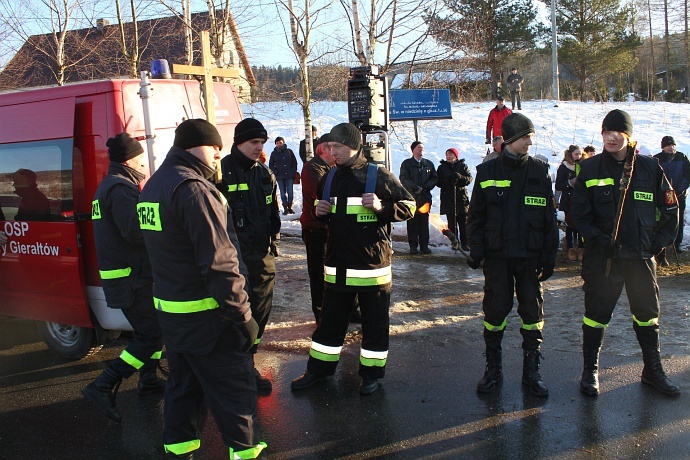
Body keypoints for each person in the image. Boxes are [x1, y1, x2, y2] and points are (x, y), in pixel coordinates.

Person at [138, 118, 265, 459]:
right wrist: (242, 315)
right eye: (214, 148)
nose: (217, 156)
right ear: (194, 146)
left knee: (184, 390)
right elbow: (220, 263)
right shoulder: (193, 189)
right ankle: (246, 452)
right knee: (234, 390)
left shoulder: (153, 187)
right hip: (210, 318)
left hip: (174, 316)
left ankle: (179, 451)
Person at [290, 122, 415, 395]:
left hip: (372, 268)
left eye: (338, 147)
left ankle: (371, 375)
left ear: (355, 146)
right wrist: (320, 210)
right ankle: (319, 371)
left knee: (374, 325)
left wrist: (383, 208)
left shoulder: (378, 175)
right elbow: (325, 209)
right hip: (338, 267)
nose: (332, 152)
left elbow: (409, 206)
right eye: (330, 147)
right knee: (329, 325)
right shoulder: (329, 178)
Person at [571, 109, 680, 398]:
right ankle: (590, 371)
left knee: (647, 316)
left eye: (617, 132)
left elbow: (670, 209)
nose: (610, 137)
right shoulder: (590, 169)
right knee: (596, 315)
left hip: (640, 258)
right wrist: (596, 239)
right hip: (603, 260)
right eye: (606, 132)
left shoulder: (650, 168)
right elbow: (579, 215)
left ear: (628, 136)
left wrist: (659, 242)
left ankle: (652, 371)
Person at [466, 112, 558, 398]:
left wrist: (549, 256)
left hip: (529, 257)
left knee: (532, 314)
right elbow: (476, 217)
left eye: (531, 137)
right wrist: (477, 248)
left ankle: (532, 372)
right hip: (498, 258)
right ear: (509, 139)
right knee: (494, 314)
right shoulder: (486, 172)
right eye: (525, 137)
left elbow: (548, 219)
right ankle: (493, 370)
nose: (530, 142)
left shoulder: (540, 171)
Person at [81, 133, 166, 424]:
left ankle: (149, 379)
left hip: (129, 277)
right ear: (131, 159)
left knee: (152, 330)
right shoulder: (120, 189)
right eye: (141, 156)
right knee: (152, 334)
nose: (145, 161)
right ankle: (103, 384)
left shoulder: (112, 185)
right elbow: (135, 231)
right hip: (132, 279)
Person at [220, 118, 281, 394]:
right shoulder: (220, 173)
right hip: (233, 260)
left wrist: (273, 243)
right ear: (238, 142)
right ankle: (236, 368)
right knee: (236, 317)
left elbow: (273, 214)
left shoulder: (264, 174)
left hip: (262, 258)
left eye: (262, 143)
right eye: (254, 142)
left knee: (260, 314)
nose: (259, 147)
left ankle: (248, 359)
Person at [300, 133, 335, 322]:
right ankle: (321, 314)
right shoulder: (312, 168)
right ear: (323, 149)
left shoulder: (332, 167)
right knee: (319, 274)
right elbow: (323, 193)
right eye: (333, 147)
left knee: (334, 273)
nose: (336, 151)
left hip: (331, 229)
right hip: (315, 229)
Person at [653, 135, 689, 264]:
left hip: (679, 195)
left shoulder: (682, 157)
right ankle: (661, 249)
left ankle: (677, 243)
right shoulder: (657, 159)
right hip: (663, 197)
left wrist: (679, 189)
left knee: (678, 220)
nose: (671, 147)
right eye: (668, 145)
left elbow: (687, 175)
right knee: (662, 221)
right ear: (663, 147)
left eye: (673, 145)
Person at [399, 141, 438, 254]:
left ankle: (424, 246)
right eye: (419, 148)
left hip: (425, 198)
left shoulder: (428, 164)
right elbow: (403, 178)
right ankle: (413, 246)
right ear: (413, 150)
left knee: (424, 222)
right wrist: (415, 187)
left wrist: (425, 187)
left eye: (422, 148)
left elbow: (434, 178)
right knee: (412, 222)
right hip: (411, 198)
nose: (421, 150)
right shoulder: (406, 164)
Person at [437, 148, 472, 251]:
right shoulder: (442, 168)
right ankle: (454, 242)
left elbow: (469, 179)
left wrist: (460, 177)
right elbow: (438, 181)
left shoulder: (462, 166)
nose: (448, 156)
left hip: (461, 198)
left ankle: (465, 243)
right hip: (448, 198)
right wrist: (448, 181)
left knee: (463, 222)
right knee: (451, 222)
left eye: (450, 154)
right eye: (447, 154)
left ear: (456, 156)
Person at [555, 145, 585, 261]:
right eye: (576, 154)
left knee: (581, 223)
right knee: (569, 225)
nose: (579, 156)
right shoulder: (564, 167)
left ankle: (582, 248)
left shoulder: (583, 165)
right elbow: (558, 185)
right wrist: (569, 183)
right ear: (570, 154)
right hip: (568, 200)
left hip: (581, 200)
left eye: (580, 154)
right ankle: (571, 248)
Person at [269, 136, 298, 215]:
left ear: (283, 143)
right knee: (282, 193)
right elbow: (271, 165)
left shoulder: (289, 151)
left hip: (289, 175)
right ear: (275, 144)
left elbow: (294, 162)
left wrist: (292, 171)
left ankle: (290, 207)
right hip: (280, 176)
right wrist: (276, 173)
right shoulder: (273, 153)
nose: (279, 144)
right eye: (277, 143)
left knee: (290, 192)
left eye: (280, 142)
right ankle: (285, 208)